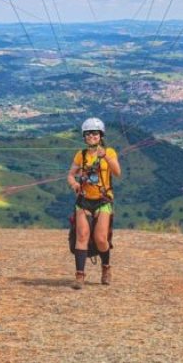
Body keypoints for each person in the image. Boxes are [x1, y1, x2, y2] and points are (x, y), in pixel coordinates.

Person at [66, 117, 121, 289]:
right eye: (88, 133)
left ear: (101, 135)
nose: (91, 136)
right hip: (84, 201)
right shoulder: (81, 155)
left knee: (100, 239)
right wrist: (75, 184)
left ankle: (106, 267)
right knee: (81, 236)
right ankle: (79, 276)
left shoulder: (109, 152)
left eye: (95, 133)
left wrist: (105, 157)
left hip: (103, 200)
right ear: (84, 136)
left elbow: (117, 173)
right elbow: (70, 175)